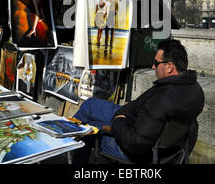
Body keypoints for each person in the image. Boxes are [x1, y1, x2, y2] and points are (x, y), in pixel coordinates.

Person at [72, 39, 205, 163]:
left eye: (156, 63)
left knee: (86, 128)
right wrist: (133, 106)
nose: (153, 66)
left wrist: (119, 120)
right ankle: (68, 133)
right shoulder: (194, 90)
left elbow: (136, 142)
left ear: (169, 66)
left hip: (132, 144)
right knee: (90, 104)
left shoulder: (162, 100)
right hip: (139, 118)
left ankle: (69, 148)